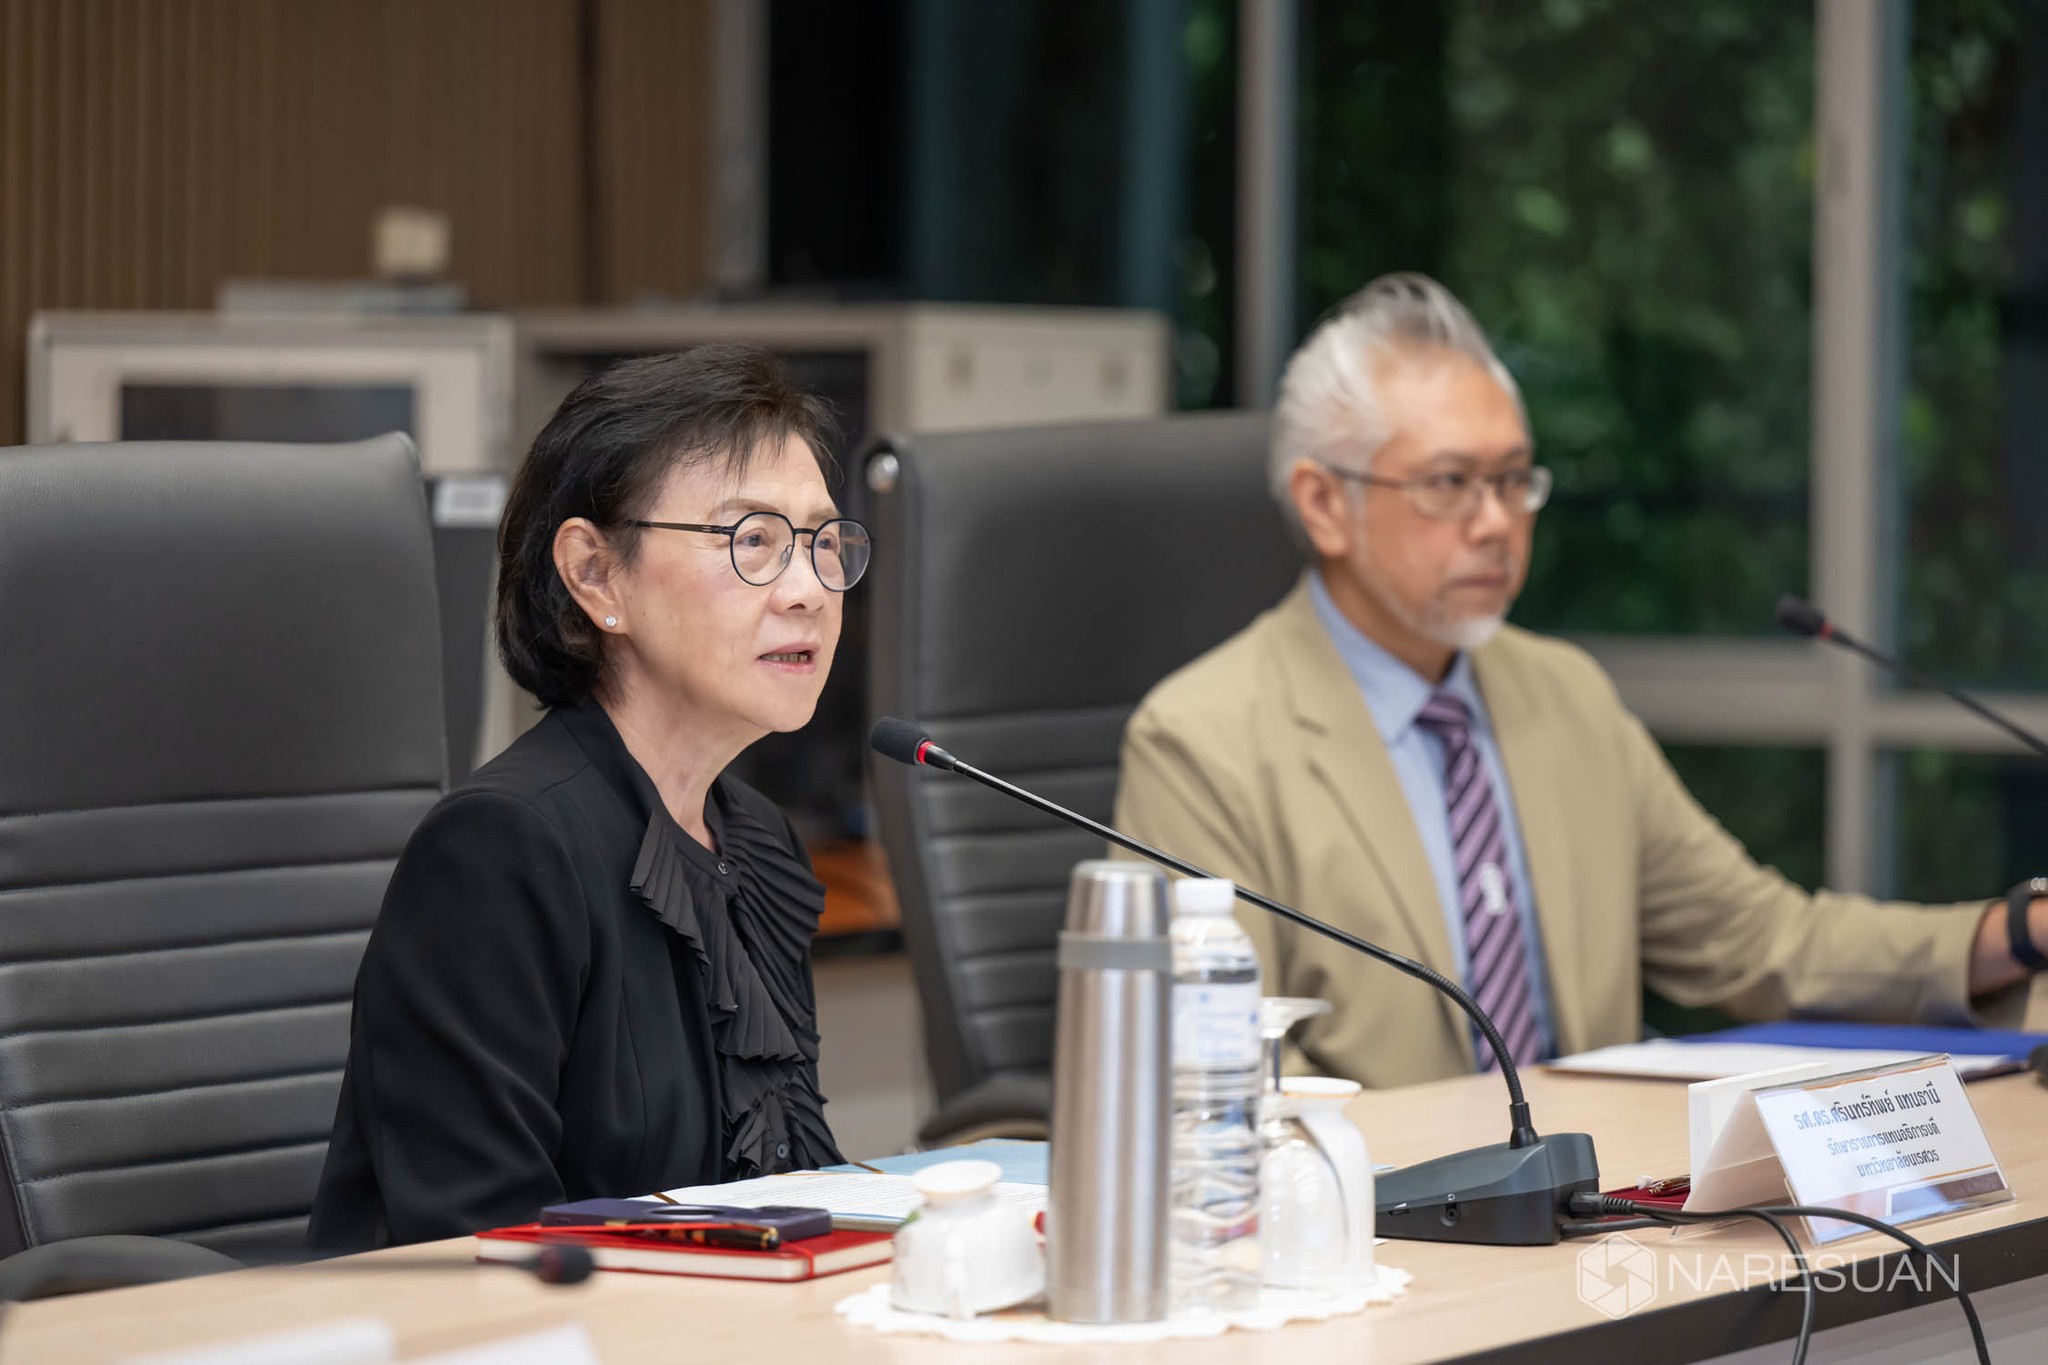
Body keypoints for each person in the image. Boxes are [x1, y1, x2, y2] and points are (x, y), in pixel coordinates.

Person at [1114, 273, 2045, 1089]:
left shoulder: (1566, 695)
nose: (1495, 523)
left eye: (1513, 480)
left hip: (1600, 1204)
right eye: (1449, 483)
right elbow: (1217, 1074)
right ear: (1324, 503)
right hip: (1373, 1213)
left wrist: (2018, 929)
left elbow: (1763, 942)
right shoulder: (1202, 739)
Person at [310, 346, 868, 1248]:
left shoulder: (756, 843)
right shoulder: (502, 850)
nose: (808, 590)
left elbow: (779, 1198)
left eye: (823, 541)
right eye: (753, 541)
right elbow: (484, 1246)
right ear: (596, 574)